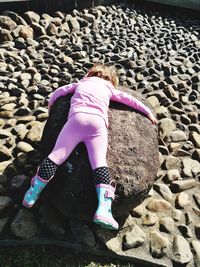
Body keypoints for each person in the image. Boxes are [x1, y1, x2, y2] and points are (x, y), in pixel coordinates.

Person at [22, 63, 157, 230]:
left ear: (90, 74)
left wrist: (51, 109)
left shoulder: (81, 84)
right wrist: (148, 113)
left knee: (56, 156)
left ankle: (32, 194)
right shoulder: (110, 90)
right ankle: (103, 209)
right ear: (112, 81)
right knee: (99, 163)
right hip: (97, 124)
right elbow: (130, 100)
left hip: (76, 120)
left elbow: (58, 93)